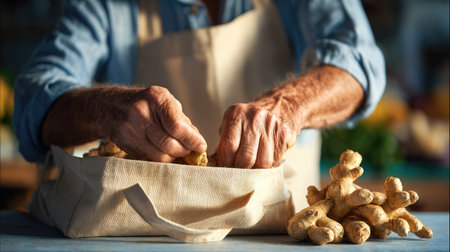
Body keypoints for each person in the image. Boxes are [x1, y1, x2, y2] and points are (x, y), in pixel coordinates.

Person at [14, 0, 385, 210]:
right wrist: (104, 108)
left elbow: (360, 64)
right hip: (138, 238)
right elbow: (33, 101)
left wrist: (288, 106)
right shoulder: (103, 6)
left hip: (282, 233)